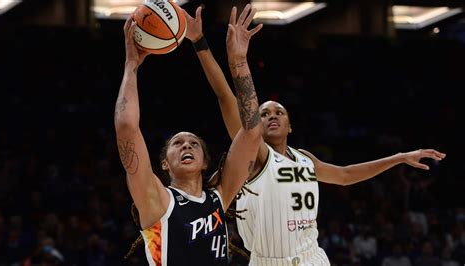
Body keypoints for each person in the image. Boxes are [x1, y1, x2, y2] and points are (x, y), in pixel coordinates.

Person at [185, 4, 447, 265]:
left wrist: (399, 157)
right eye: (263, 114)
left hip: (313, 258)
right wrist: (201, 43)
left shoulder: (304, 159)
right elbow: (225, 98)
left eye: (279, 112)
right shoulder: (253, 156)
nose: (272, 116)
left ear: (290, 126)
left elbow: (345, 176)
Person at [114, 5, 263, 266]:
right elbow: (126, 127)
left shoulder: (220, 197)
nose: (187, 146)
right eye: (177, 143)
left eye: (194, 143)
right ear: (164, 163)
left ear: (205, 161)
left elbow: (251, 132)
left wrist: (237, 62)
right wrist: (131, 65)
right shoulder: (157, 200)